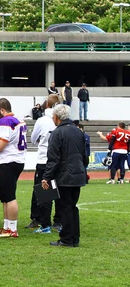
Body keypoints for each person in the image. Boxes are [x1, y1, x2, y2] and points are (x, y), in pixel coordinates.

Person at [41, 104, 87, 247]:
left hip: (64, 175)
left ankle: (66, 239)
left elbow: (53, 159)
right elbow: (84, 155)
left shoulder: (57, 133)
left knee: (64, 207)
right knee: (73, 206)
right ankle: (74, 238)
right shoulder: (78, 131)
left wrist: (46, 177)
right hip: (78, 173)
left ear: (56, 117)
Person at [0, 98, 27, 238]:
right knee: (6, 197)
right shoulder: (19, 120)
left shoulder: (4, 122)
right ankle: (7, 226)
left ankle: (12, 228)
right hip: (16, 160)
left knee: (9, 196)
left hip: (7, 161)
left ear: (2, 110)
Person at [28, 94, 59, 233]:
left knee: (41, 190)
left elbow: (33, 139)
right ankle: (57, 220)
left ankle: (39, 219)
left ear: (46, 105)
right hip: (58, 160)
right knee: (57, 190)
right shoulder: (62, 120)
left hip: (43, 159)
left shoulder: (41, 120)